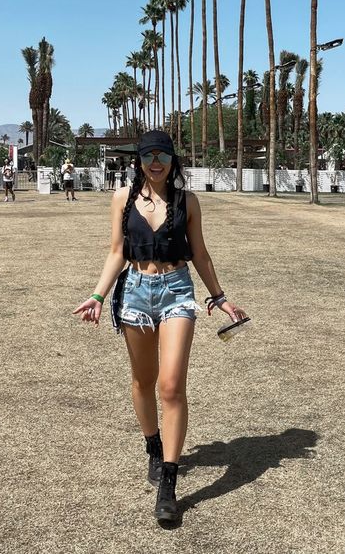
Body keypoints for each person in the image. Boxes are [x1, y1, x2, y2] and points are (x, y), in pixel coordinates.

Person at [73, 130, 247, 523]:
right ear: (139, 160)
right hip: (133, 291)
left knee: (171, 385)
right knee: (142, 381)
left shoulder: (189, 201)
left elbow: (199, 253)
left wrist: (219, 297)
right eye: (148, 154)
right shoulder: (122, 198)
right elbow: (117, 252)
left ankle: (168, 481)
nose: (156, 161)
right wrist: (98, 296)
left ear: (172, 161)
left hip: (177, 292)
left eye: (163, 155)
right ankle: (153, 446)